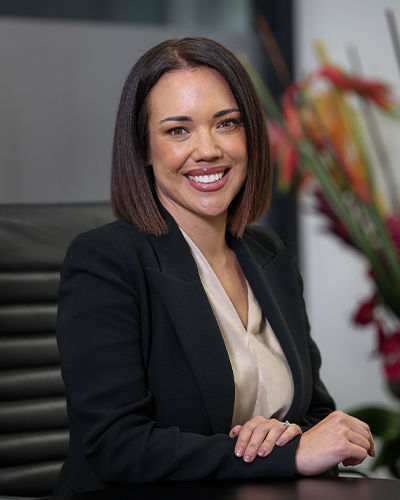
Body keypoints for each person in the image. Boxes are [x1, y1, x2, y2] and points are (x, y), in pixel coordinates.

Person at [54, 37, 375, 495]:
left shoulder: (271, 255)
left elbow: (313, 413)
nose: (207, 149)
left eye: (226, 123)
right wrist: (282, 455)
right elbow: (115, 446)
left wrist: (288, 435)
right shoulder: (105, 262)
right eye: (177, 130)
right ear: (144, 148)